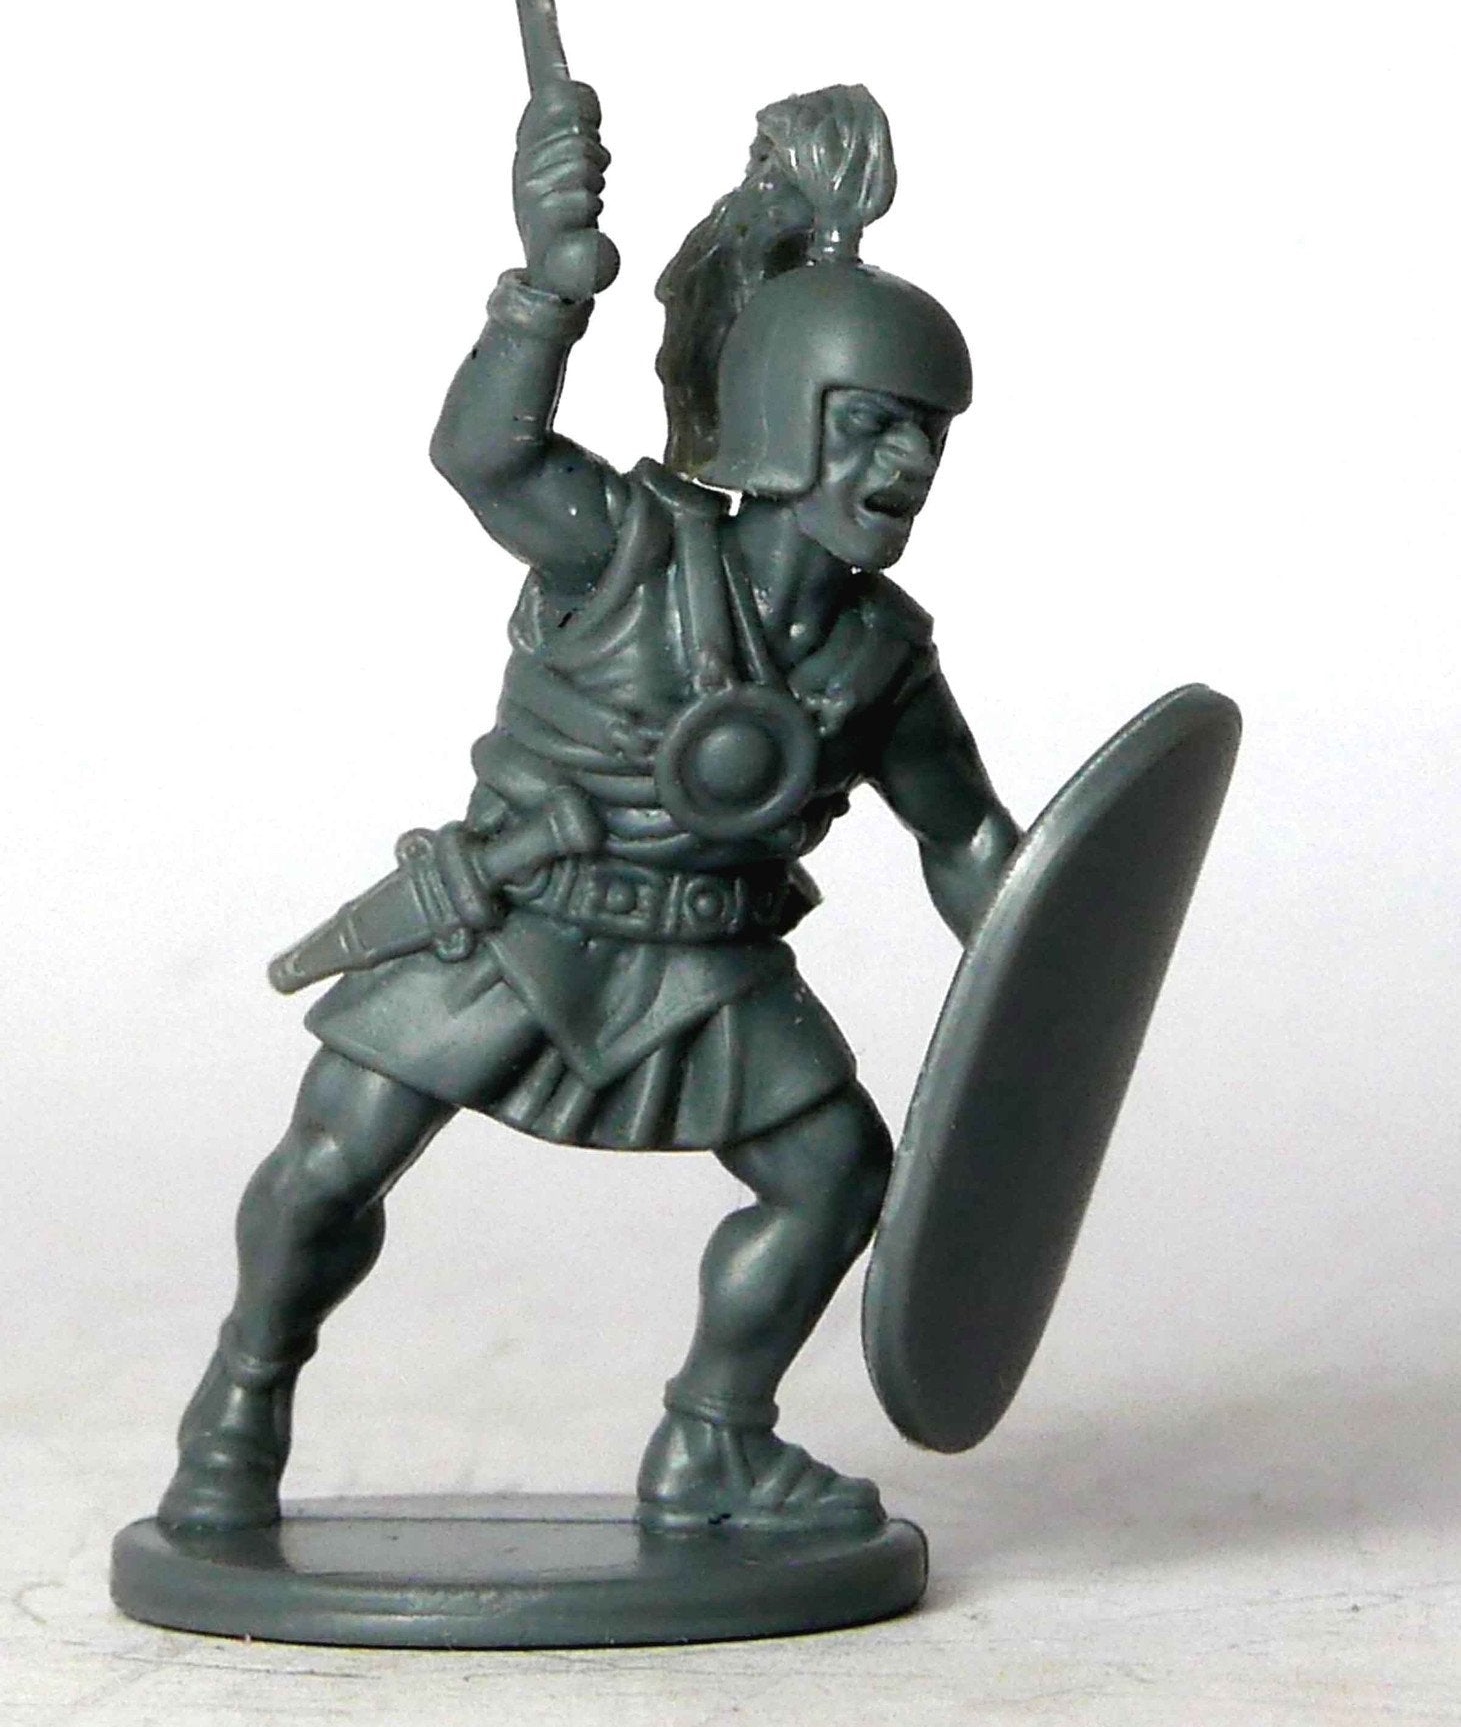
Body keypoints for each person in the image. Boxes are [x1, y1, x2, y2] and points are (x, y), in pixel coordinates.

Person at [158, 80, 1019, 1537]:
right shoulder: (624, 548)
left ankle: (713, 1444)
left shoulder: (880, 656)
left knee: (832, 1177)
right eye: (874, 427)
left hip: (710, 959)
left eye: (928, 433)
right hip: (514, 919)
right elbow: (484, 454)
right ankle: (241, 1401)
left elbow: (963, 836)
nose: (909, 465)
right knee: (327, 1169)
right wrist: (547, 291)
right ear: (788, 420)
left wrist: (1050, 975)